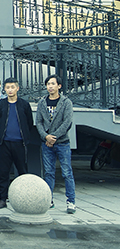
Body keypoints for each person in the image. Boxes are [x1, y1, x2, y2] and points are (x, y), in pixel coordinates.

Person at [36, 74, 76, 213]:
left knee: (67, 172)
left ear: (59, 86)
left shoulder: (66, 102)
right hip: (46, 143)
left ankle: (71, 201)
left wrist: (54, 137)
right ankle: (49, 199)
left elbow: (67, 122)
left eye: (53, 84)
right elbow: (39, 122)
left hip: (62, 143)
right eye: (48, 84)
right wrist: (46, 136)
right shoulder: (42, 102)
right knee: (48, 172)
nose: (50, 86)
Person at [0, 77, 34, 209]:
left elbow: (29, 123)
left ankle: (24, 198)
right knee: (3, 172)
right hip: (4, 143)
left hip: (20, 143)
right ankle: (2, 199)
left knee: (22, 172)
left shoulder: (24, 105)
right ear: (4, 89)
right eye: (7, 87)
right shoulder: (0, 105)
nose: (10, 90)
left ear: (17, 88)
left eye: (12, 87)